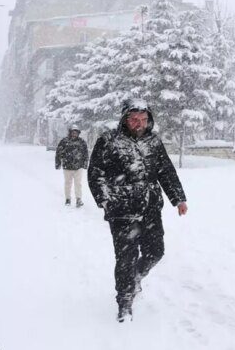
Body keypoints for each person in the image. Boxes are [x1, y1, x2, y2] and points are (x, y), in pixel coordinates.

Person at [87, 98, 187, 322]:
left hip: (151, 208)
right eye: (134, 119)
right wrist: (105, 200)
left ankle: (136, 278)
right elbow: (95, 174)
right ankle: (124, 301)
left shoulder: (153, 142)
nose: (139, 123)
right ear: (125, 119)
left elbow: (166, 172)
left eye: (143, 119)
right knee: (126, 258)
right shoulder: (109, 141)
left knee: (156, 251)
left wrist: (178, 198)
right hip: (122, 210)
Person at [55, 125, 88, 207]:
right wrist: (58, 163)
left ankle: (78, 199)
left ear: (78, 133)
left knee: (78, 184)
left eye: (76, 132)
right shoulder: (64, 141)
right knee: (68, 183)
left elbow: (85, 153)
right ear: (70, 132)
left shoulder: (82, 142)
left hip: (78, 167)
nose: (74, 134)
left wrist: (85, 163)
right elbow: (58, 152)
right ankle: (68, 199)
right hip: (67, 167)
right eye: (73, 132)